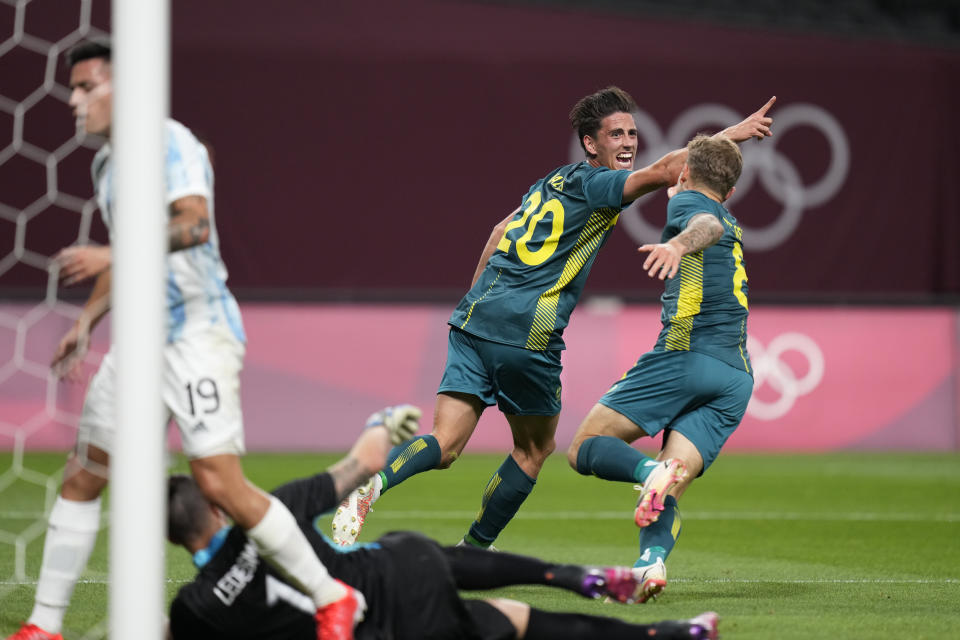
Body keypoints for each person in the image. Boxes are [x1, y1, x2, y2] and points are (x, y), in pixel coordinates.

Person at [8, 39, 363, 640]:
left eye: (87, 87)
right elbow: (128, 262)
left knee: (218, 483)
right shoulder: (105, 166)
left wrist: (111, 252)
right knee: (83, 474)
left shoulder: (170, 142)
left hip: (196, 335)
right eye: (71, 88)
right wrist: (87, 322)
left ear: (128, 87)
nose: (72, 100)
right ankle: (43, 627)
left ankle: (335, 598)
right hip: (138, 346)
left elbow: (193, 224)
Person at [332, 87, 775, 550]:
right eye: (615, 135)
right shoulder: (600, 186)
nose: (627, 143)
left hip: (474, 320)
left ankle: (373, 484)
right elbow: (675, 171)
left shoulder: (550, 182)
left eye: (632, 133)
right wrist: (733, 137)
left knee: (443, 443)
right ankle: (473, 551)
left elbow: (499, 231)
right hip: (528, 333)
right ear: (590, 144)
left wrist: (476, 300)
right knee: (535, 449)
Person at [167, 404, 720, 640]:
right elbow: (364, 460)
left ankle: (621, 607)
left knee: (511, 624)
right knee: (500, 602)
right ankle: (636, 614)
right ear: (218, 504)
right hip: (400, 571)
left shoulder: (194, 607)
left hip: (387, 628)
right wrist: (383, 421)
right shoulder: (270, 513)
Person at [566, 133, 757, 604]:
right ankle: (650, 564)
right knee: (669, 482)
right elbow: (711, 199)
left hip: (686, 356)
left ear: (685, 173)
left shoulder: (689, 202)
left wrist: (677, 246)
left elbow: (702, 225)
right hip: (735, 378)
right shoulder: (727, 213)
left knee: (585, 448)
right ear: (732, 192)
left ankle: (649, 471)